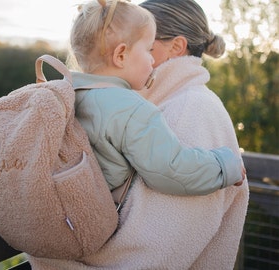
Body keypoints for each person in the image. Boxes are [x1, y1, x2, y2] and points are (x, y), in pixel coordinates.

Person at [27, 0, 246, 268]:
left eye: (149, 45)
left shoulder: (192, 110)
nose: (149, 59)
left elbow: (157, 248)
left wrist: (54, 260)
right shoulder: (130, 104)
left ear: (176, 47)